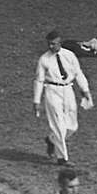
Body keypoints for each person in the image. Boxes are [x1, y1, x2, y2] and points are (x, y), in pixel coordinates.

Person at [34, 31, 91, 165]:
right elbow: (38, 80)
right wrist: (36, 100)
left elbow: (78, 73)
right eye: (49, 44)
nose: (51, 46)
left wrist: (85, 90)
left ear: (60, 43)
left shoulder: (69, 55)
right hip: (52, 91)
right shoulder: (44, 59)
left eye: (54, 44)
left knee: (72, 126)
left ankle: (51, 139)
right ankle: (62, 158)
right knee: (58, 125)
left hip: (67, 89)